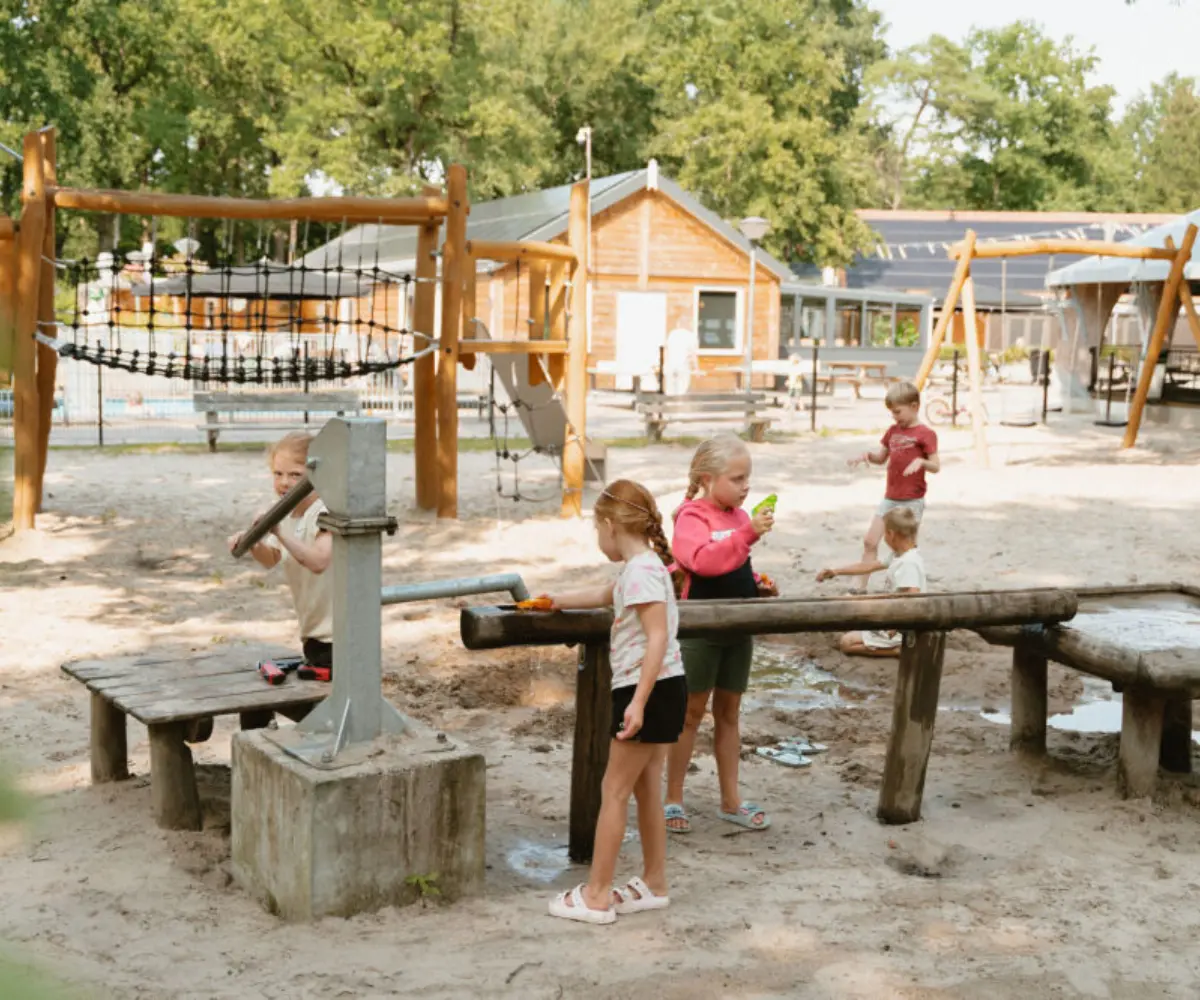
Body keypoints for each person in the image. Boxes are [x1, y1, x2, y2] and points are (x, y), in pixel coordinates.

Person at [542, 479, 686, 924]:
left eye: (596, 531)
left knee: (614, 790)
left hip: (646, 688)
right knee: (646, 788)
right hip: (665, 686)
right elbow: (606, 596)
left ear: (608, 525)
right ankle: (654, 882)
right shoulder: (643, 567)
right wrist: (556, 601)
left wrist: (638, 702)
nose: (598, 540)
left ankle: (598, 893)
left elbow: (657, 636)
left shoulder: (642, 573)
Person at [665, 435, 774, 835]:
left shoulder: (740, 518)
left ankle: (731, 799)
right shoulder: (691, 518)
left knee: (729, 714)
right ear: (708, 479)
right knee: (690, 715)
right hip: (700, 628)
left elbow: (733, 564)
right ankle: (673, 797)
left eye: (749, 477)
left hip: (738, 626)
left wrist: (758, 583)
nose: (746, 486)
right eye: (738, 478)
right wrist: (746, 538)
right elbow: (701, 561)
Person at [227, 432, 334, 680]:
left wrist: (278, 531)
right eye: (278, 473)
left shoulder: (326, 510)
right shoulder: (287, 512)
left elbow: (318, 562)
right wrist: (253, 543)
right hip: (313, 629)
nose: (284, 482)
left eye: (295, 475)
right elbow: (271, 558)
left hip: (337, 633)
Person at [846, 381, 938, 593]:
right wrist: (866, 456)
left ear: (914, 406)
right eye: (892, 413)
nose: (895, 417)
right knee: (870, 540)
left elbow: (936, 466)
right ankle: (860, 586)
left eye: (898, 411)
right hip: (891, 497)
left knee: (905, 548)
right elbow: (881, 458)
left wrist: (921, 462)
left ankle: (908, 587)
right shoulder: (892, 431)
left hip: (911, 500)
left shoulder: (926, 434)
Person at [816, 506, 927, 657]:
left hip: (899, 628)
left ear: (891, 534)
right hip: (893, 618)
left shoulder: (908, 563)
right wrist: (836, 571)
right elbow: (869, 566)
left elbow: (914, 596)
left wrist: (897, 625)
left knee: (846, 643)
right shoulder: (899, 555)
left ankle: (897, 650)